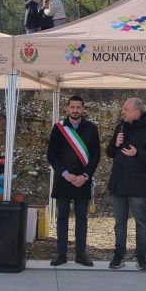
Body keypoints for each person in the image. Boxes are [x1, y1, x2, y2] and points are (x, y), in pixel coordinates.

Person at [106, 98, 146, 271]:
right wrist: (115, 143)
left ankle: (141, 258)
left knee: (141, 223)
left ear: (136, 112)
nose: (122, 111)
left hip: (138, 185)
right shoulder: (120, 127)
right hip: (119, 183)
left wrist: (138, 153)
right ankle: (118, 256)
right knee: (119, 223)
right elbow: (110, 153)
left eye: (125, 109)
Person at [46, 95, 101, 267]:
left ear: (83, 109)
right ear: (67, 108)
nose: (75, 110)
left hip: (82, 180)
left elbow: (96, 155)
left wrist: (85, 176)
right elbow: (52, 154)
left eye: (78, 107)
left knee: (82, 217)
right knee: (62, 217)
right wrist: (64, 173)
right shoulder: (59, 128)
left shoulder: (91, 129)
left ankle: (81, 254)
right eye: (72, 107)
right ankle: (61, 254)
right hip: (64, 179)